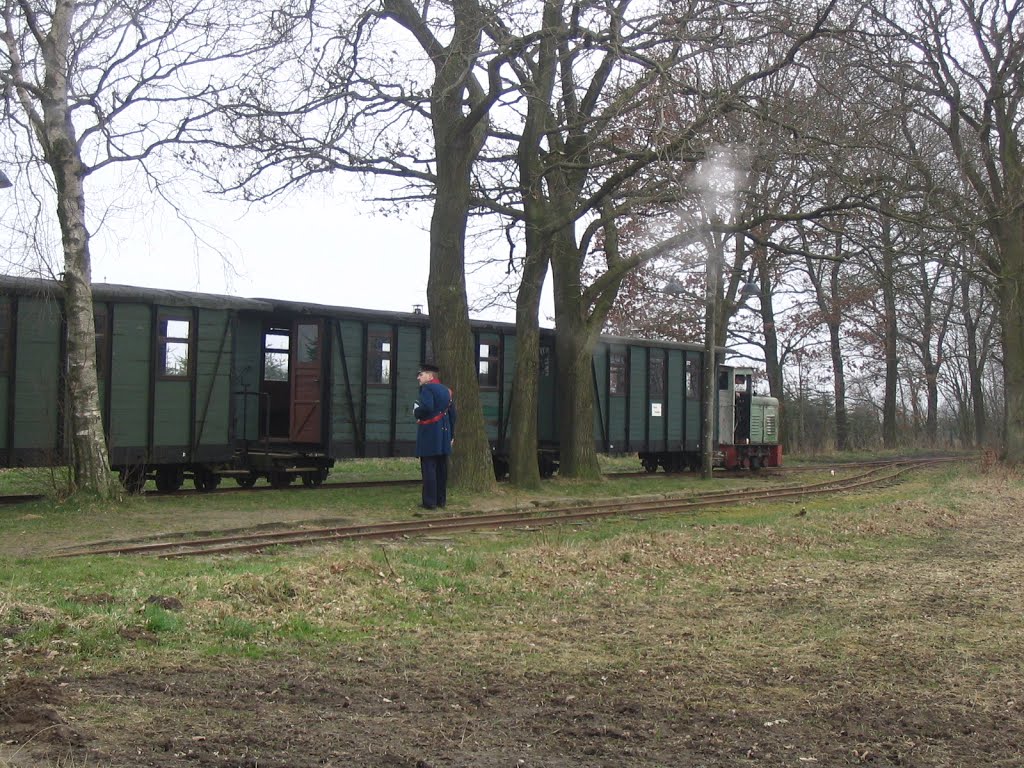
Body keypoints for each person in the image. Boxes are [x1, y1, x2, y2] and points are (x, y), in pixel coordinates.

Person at [414, 363, 456, 510]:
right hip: (444, 434)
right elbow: (452, 415)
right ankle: (441, 500)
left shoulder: (427, 389)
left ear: (430, 376)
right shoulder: (447, 391)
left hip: (430, 433)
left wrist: (416, 412)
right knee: (441, 469)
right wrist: (451, 435)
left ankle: (429, 502)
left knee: (429, 468)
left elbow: (427, 407)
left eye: (421, 374)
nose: (418, 377)